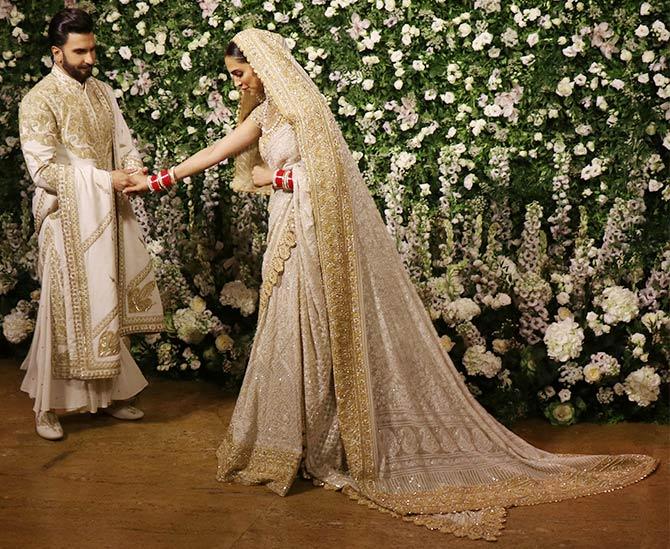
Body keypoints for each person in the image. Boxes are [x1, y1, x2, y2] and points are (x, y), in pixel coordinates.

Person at [128, 29, 657, 540]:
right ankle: (293, 442)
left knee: (311, 326)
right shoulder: (265, 115)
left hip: (314, 239)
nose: (238, 84)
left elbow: (333, 179)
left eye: (241, 73)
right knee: (287, 329)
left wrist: (278, 177)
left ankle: (324, 442)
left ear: (264, 67)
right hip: (287, 233)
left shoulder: (306, 113)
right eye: (233, 76)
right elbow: (221, 151)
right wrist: (157, 180)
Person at [18, 8, 164, 441]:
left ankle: (108, 397)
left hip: (105, 211)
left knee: (106, 300)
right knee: (61, 312)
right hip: (64, 219)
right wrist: (105, 180)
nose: (90, 59)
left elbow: (123, 142)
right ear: (56, 53)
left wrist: (134, 172)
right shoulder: (38, 100)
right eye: (79, 51)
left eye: (92, 49)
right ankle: (47, 406)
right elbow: (43, 171)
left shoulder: (101, 92)